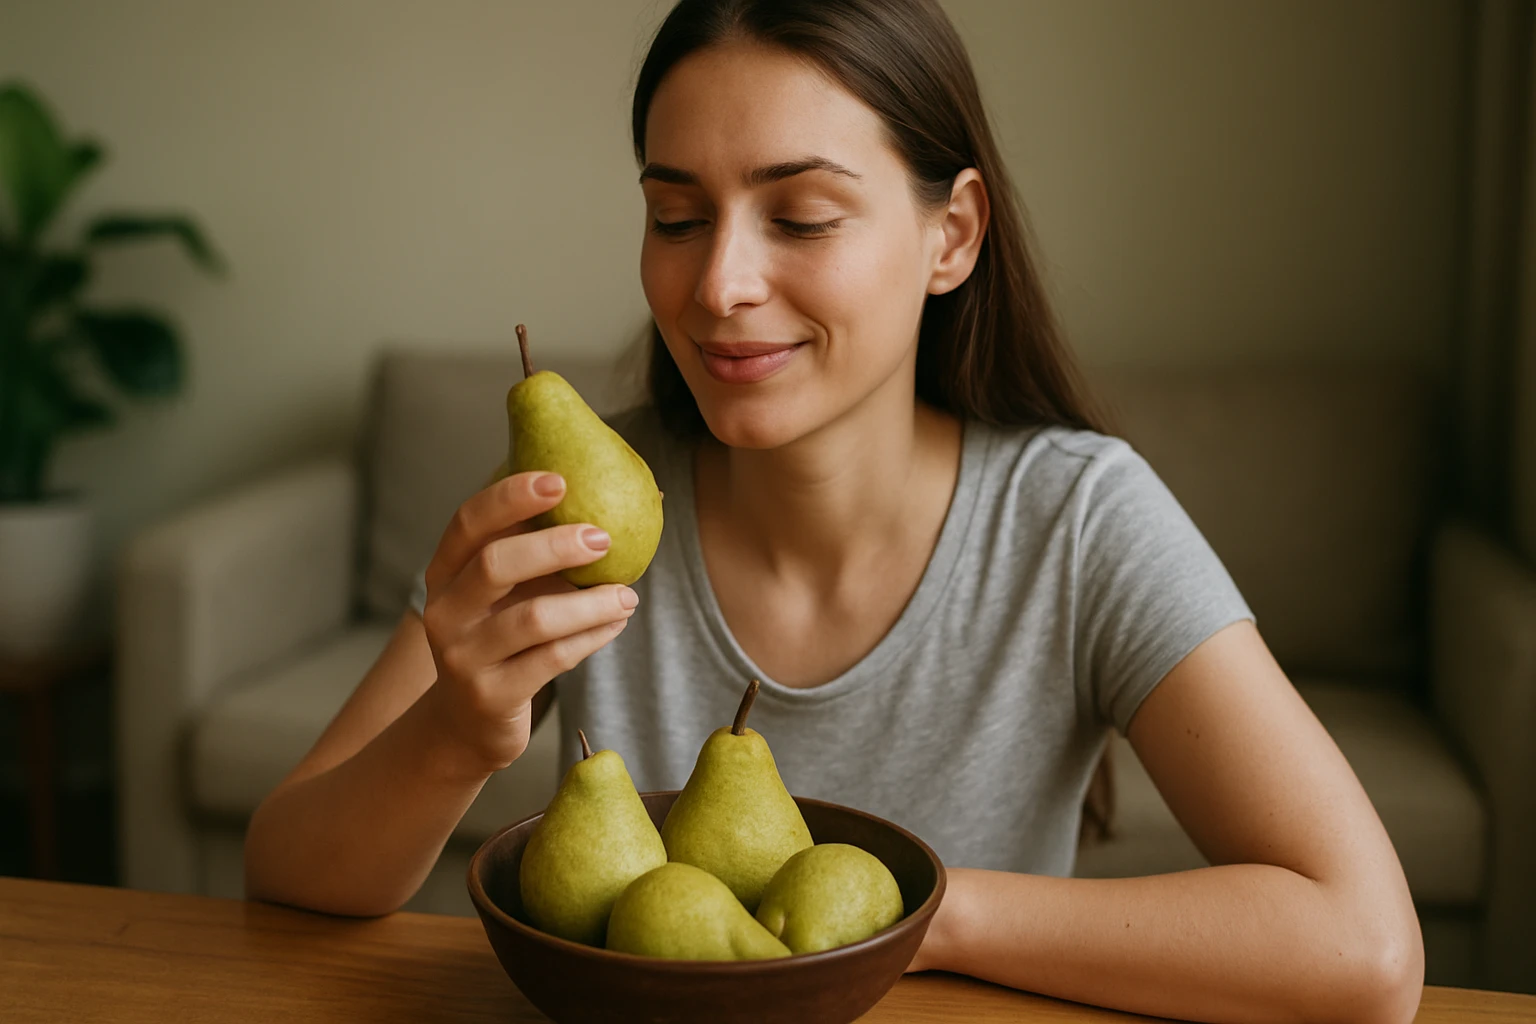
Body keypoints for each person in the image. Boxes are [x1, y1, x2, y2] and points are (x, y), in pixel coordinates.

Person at [245, 1, 1423, 1020]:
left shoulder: (1076, 520)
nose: (719, 286)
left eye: (801, 217)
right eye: (676, 217)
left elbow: (1365, 954)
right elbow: (288, 866)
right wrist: (456, 731)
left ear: (950, 234)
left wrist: (911, 913)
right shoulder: (583, 519)